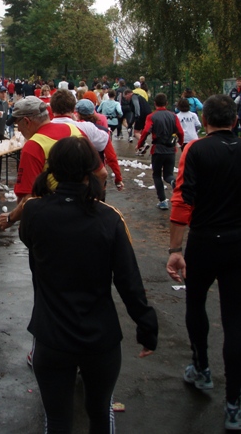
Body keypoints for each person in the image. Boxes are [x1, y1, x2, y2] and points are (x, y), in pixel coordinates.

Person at [20, 137, 157, 433]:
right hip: (100, 339)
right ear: (91, 170)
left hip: (51, 336)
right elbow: (128, 281)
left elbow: (28, 240)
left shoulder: (34, 212)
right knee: (99, 412)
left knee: (56, 420)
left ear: (53, 168)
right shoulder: (108, 219)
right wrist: (146, 327)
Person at [166, 94, 241, 430]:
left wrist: (175, 248)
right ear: (235, 121)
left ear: (205, 121)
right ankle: (234, 405)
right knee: (235, 320)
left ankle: (201, 368)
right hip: (238, 241)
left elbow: (183, 198)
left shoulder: (196, 150)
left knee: (195, 303)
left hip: (205, 240)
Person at [0, 96, 108, 232]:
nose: (18, 129)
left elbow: (29, 198)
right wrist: (90, 205)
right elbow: (102, 174)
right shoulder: (74, 131)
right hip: (84, 222)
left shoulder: (34, 146)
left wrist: (10, 218)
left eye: (17, 124)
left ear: (26, 121)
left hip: (49, 226)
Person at [136, 93, 184, 210]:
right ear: (166, 103)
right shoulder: (173, 116)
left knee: (157, 175)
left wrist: (140, 144)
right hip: (171, 149)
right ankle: (173, 182)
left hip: (157, 149)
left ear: (155, 104)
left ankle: (163, 201)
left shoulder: (152, 116)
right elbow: (180, 131)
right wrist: (181, 142)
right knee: (168, 174)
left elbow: (146, 131)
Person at [75, 99, 124, 191]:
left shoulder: (72, 128)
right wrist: (118, 178)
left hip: (77, 173)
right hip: (97, 172)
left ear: (77, 113)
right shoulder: (102, 131)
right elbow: (111, 157)